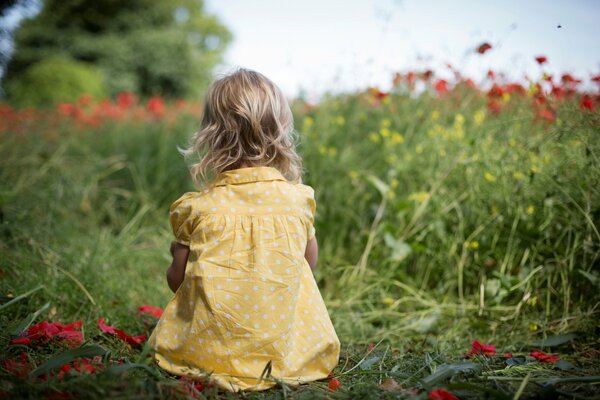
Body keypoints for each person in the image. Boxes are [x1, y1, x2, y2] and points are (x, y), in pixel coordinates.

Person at [148, 69, 340, 392]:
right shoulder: (298, 200)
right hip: (285, 356)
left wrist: (176, 257)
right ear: (280, 134)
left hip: (206, 356)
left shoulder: (197, 209)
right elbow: (309, 262)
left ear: (212, 136)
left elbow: (177, 280)